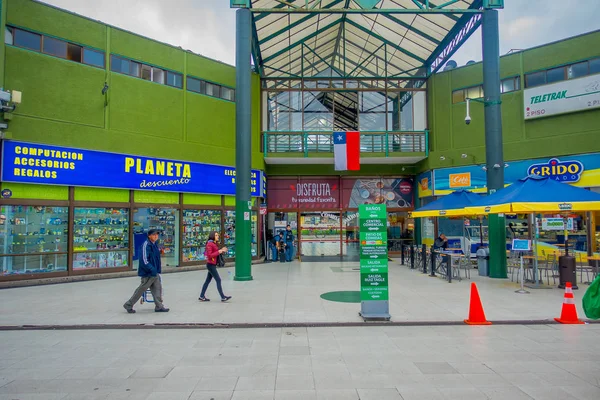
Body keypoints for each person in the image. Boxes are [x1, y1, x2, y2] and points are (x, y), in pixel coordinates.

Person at [123, 229, 169, 313]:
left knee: (157, 288)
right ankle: (128, 304)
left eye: (157, 235)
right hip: (148, 272)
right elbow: (144, 260)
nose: (156, 236)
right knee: (142, 289)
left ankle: (159, 306)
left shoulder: (154, 244)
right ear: (149, 235)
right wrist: (152, 269)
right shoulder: (146, 245)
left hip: (154, 272)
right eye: (154, 235)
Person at [199, 231, 232, 302]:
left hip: (212, 264)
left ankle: (202, 296)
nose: (218, 236)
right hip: (210, 265)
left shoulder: (214, 243)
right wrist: (219, 251)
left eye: (217, 235)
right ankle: (223, 297)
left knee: (207, 281)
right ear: (212, 236)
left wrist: (222, 250)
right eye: (216, 235)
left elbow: (216, 252)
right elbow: (210, 255)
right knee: (218, 280)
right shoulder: (209, 244)